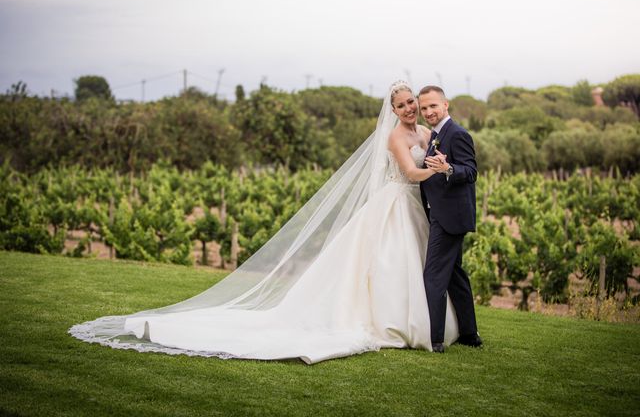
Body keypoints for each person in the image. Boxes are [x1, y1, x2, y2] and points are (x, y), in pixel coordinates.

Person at [69, 81, 459, 364]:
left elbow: (427, 160)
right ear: (392, 110)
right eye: (403, 104)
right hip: (394, 201)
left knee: (418, 264)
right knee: (389, 263)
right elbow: (409, 173)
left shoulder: (425, 131)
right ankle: (394, 324)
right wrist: (439, 170)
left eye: (413, 103)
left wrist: (442, 167)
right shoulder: (394, 137)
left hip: (415, 208)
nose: (410, 108)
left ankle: (426, 325)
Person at [418, 85, 482, 353]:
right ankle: (469, 333)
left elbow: (471, 171)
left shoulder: (457, 134)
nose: (429, 111)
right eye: (424, 108)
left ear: (446, 105)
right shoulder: (436, 134)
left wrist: (448, 168)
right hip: (441, 214)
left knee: (433, 275)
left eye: (433, 106)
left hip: (450, 217)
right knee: (454, 275)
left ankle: (435, 339)